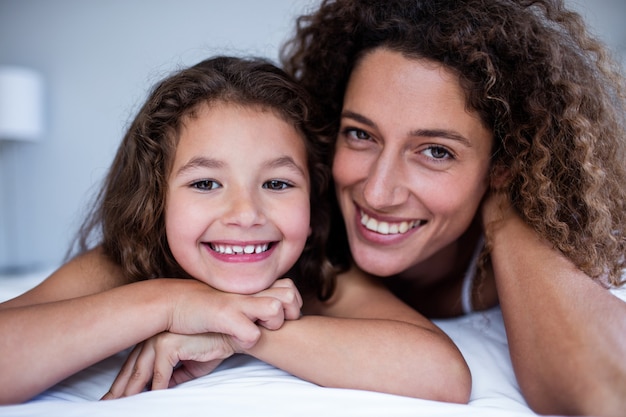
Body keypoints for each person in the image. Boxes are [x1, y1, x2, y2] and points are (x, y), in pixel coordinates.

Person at [0, 55, 470, 405]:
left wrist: (233, 330)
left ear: (313, 197)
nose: (246, 214)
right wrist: (174, 303)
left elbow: (442, 376)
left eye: (278, 183)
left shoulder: (319, 270)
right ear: (156, 201)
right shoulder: (128, 262)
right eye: (205, 183)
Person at [277, 0, 626, 416]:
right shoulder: (291, 221)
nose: (377, 193)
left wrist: (505, 216)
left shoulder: (534, 234)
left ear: (504, 163)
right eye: (360, 134)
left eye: (437, 152)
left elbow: (608, 389)